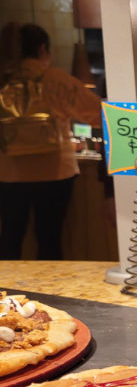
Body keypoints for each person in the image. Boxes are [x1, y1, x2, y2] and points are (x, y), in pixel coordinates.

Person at [0, 22, 101, 260]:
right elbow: (97, 112)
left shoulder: (3, 80)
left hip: (9, 173)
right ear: (43, 49)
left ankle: (4, 292)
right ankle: (52, 292)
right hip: (55, 172)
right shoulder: (54, 78)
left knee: (10, 237)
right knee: (49, 238)